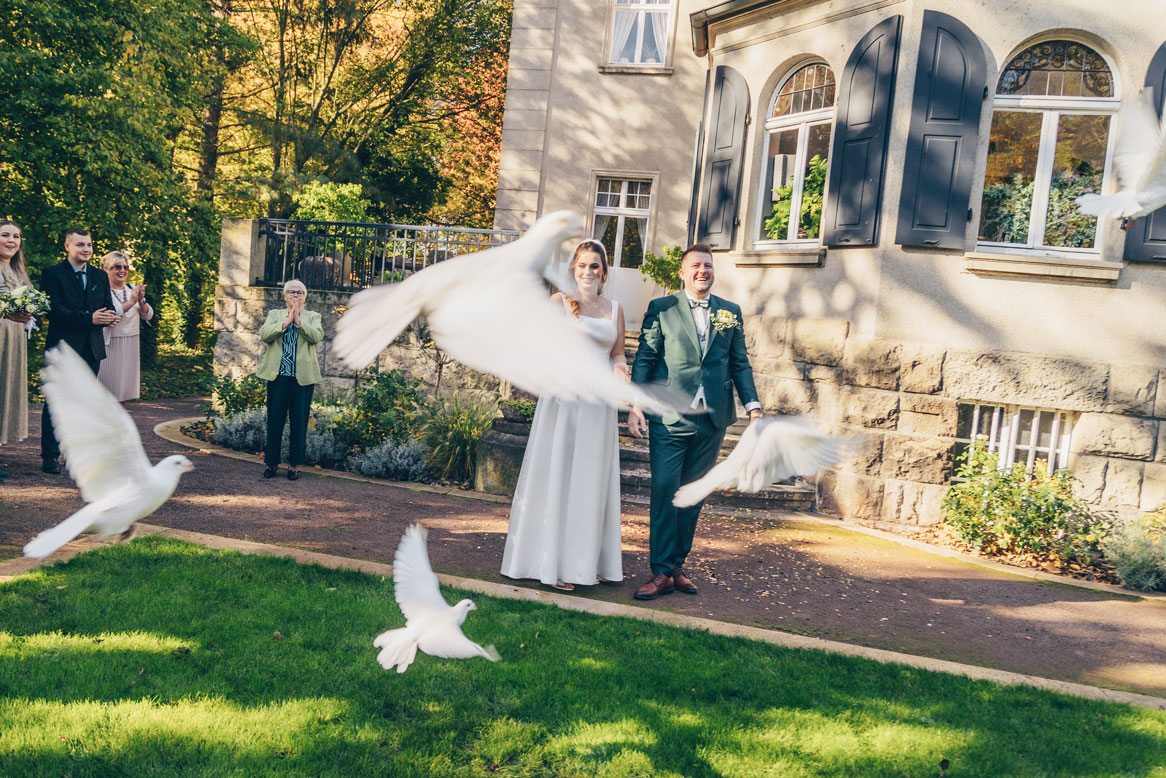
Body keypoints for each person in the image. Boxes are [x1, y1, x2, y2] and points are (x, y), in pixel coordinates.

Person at [627, 243, 762, 600]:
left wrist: (754, 408)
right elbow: (645, 356)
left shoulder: (729, 312)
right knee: (665, 490)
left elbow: (740, 363)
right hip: (670, 417)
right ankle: (659, 571)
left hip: (712, 419)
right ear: (683, 273)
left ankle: (675, 569)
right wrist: (636, 404)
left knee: (693, 495)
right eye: (696, 266)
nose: (703, 271)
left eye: (708, 265)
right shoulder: (662, 308)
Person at [501, 239, 627, 590]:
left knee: (590, 482)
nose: (588, 272)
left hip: (598, 407)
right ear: (573, 269)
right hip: (565, 403)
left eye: (595, 266)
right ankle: (552, 564)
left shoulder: (615, 309)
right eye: (582, 265)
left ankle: (585, 562)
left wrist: (620, 371)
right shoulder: (559, 303)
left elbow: (617, 355)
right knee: (560, 477)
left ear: (604, 273)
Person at [40, 228, 118, 474]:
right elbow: (53, 311)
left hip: (92, 349)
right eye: (80, 245)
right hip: (63, 348)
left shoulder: (99, 276)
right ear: (67, 247)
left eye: (90, 245)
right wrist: (90, 318)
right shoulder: (52, 274)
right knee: (56, 402)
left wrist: (110, 317)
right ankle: (50, 456)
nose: (86, 249)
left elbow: (107, 305)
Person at [256, 279, 323, 480]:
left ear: (305, 296)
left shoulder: (313, 316)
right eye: (292, 292)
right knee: (275, 420)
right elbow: (265, 335)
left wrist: (299, 322)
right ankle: (271, 463)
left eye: (300, 292)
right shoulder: (274, 315)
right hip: (278, 377)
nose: (296, 295)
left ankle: (294, 465)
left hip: (302, 378)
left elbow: (317, 337)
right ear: (285, 296)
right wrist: (286, 322)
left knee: (299, 421)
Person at [97, 251, 154, 404]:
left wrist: (141, 301)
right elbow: (112, 312)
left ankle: (118, 424)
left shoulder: (131, 289)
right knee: (106, 391)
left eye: (125, 267)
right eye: (117, 267)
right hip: (109, 344)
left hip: (131, 342)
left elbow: (148, 315)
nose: (122, 271)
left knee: (123, 391)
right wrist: (131, 301)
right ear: (105, 269)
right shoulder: (101, 291)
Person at [0, 219, 33, 461]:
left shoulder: (18, 271)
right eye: (5, 235)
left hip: (14, 338)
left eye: (16, 236)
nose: (11, 241)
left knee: (6, 391)